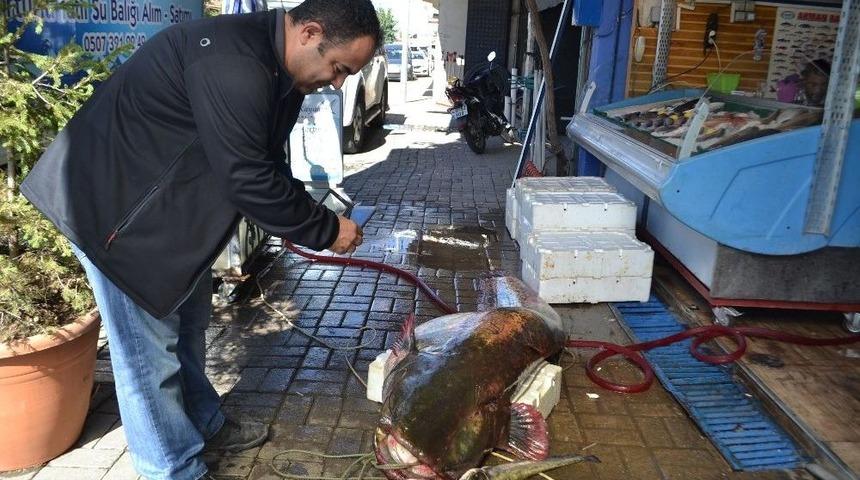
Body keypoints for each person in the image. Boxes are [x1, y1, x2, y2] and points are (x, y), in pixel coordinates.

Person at [20, 1, 381, 478]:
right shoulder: (234, 62)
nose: (337, 84)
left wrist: (316, 214)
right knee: (148, 363)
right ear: (310, 32)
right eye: (339, 68)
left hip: (162, 217)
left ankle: (203, 422)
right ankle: (172, 467)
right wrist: (326, 230)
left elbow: (265, 166)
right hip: (113, 219)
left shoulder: (281, 73)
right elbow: (248, 179)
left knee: (188, 329)